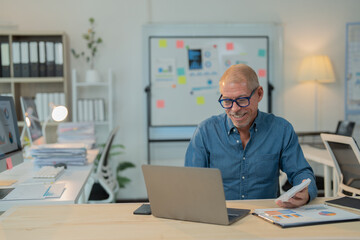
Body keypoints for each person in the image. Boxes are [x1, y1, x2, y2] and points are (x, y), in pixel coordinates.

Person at [185, 64, 317, 208]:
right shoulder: (206, 131)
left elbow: (301, 172)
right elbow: (191, 183)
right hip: (220, 217)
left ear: (259, 94)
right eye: (227, 101)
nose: (234, 109)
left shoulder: (281, 130)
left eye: (242, 100)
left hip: (266, 218)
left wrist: (306, 192)